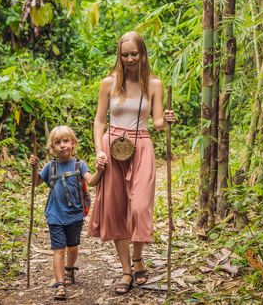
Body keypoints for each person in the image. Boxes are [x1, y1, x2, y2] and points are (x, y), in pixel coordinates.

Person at [88, 31, 175, 294]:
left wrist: (166, 119)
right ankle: (126, 270)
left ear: (143, 53)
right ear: (119, 55)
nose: (129, 59)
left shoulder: (154, 84)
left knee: (139, 207)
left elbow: (157, 123)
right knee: (116, 210)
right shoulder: (109, 83)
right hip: (112, 146)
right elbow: (99, 120)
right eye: (124, 55)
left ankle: (138, 257)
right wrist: (98, 151)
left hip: (142, 146)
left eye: (134, 54)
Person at [29, 125, 105, 300]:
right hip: (55, 215)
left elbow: (92, 182)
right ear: (52, 148)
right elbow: (36, 182)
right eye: (57, 142)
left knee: (72, 246)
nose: (62, 145)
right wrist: (34, 167)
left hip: (75, 215)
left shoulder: (79, 165)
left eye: (66, 141)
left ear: (73, 143)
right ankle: (60, 283)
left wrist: (100, 170)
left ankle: (69, 269)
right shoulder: (50, 166)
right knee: (58, 249)